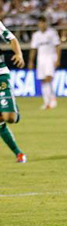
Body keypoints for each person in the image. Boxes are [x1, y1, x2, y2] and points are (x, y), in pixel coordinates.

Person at [0, 21, 27, 163]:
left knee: (9, 117)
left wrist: (19, 54)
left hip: (0, 76)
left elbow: (11, 38)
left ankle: (14, 109)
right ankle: (18, 153)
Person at [28, 16, 61, 110]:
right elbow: (33, 49)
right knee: (42, 80)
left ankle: (53, 99)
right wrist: (31, 61)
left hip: (50, 57)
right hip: (40, 58)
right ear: (38, 24)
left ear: (46, 23)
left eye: (44, 22)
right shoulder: (36, 35)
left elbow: (58, 46)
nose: (42, 24)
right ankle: (46, 102)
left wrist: (58, 59)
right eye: (40, 22)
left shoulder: (52, 33)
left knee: (48, 78)